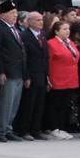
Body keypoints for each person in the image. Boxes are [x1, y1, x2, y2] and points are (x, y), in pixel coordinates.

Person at [0, 1, 26, 142]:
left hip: (18, 71)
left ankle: (8, 127)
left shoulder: (15, 28)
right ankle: (0, 130)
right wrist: (1, 71)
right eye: (11, 13)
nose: (15, 16)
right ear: (3, 14)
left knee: (14, 103)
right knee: (6, 103)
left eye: (16, 13)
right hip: (8, 71)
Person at [45, 17, 80, 139]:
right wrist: (48, 78)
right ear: (56, 31)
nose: (67, 31)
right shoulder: (51, 43)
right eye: (64, 29)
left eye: (68, 29)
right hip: (57, 77)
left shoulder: (70, 43)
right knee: (55, 104)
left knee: (65, 104)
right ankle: (54, 127)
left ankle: (62, 127)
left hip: (70, 78)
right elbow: (48, 61)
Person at [17, 11, 50, 140]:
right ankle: (24, 130)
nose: (40, 22)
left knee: (39, 104)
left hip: (42, 74)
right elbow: (24, 58)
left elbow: (45, 57)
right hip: (31, 74)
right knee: (28, 104)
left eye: (41, 20)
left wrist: (47, 75)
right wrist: (26, 76)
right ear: (29, 22)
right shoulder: (24, 36)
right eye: (37, 20)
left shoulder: (42, 35)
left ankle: (35, 129)